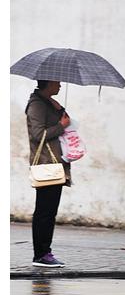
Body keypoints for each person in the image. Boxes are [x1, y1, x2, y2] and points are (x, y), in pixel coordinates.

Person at [25, 80, 72, 268]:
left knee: (49, 211)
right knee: (45, 212)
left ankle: (45, 252)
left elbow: (63, 124)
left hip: (55, 164)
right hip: (46, 164)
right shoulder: (36, 104)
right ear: (48, 83)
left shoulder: (47, 102)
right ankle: (41, 255)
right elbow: (38, 135)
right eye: (57, 83)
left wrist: (60, 110)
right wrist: (61, 125)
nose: (60, 85)